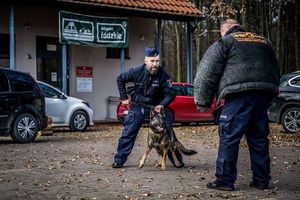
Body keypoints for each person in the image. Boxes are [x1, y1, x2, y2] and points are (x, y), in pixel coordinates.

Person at [193, 19, 280, 191]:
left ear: (224, 31)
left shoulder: (226, 42)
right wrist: (271, 94)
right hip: (262, 95)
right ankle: (261, 180)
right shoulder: (264, 42)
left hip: (238, 95)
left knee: (229, 137)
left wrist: (203, 102)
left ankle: (225, 181)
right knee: (259, 139)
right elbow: (274, 70)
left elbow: (206, 72)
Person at [112, 47, 184, 168]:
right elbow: (120, 79)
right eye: (152, 61)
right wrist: (124, 97)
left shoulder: (163, 75)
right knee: (129, 131)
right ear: (146, 61)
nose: (155, 64)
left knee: (169, 130)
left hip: (157, 107)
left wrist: (162, 105)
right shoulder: (136, 72)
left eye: (157, 61)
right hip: (138, 106)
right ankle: (119, 160)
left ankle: (177, 160)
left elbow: (171, 93)